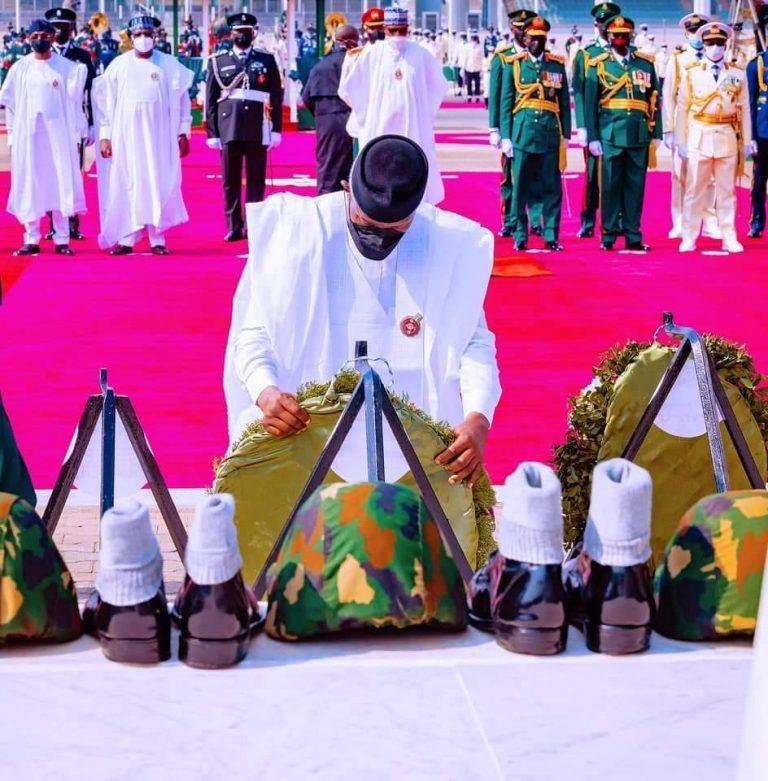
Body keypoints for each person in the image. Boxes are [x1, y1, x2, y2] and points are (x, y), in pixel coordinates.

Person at [225, 135, 501, 487]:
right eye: (364, 223)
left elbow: (472, 342)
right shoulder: (298, 233)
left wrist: (478, 416)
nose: (377, 238)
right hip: (305, 442)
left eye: (394, 231)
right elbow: (255, 332)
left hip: (415, 451)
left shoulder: (448, 244)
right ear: (348, 189)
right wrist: (266, 391)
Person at [95, 15, 192, 255]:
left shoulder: (168, 65)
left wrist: (183, 132)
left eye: (148, 34)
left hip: (160, 137)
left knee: (157, 182)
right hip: (125, 137)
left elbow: (183, 101)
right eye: (138, 35)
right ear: (131, 37)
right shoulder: (118, 66)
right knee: (127, 182)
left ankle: (157, 239)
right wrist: (105, 135)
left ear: (155, 37)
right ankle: (127, 239)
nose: (144, 39)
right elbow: (105, 104)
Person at [338, 5, 448, 205]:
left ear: (408, 29)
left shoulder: (421, 54)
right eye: (394, 30)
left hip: (413, 131)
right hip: (379, 129)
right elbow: (349, 89)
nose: (398, 35)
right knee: (377, 175)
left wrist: (423, 115)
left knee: (414, 176)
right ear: (386, 30)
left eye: (402, 30)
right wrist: (365, 116)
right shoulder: (371, 54)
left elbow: (438, 86)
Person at [0, 18, 87, 257]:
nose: (40, 39)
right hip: (29, 138)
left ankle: (62, 239)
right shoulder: (20, 68)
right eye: (36, 35)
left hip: (58, 138)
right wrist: (12, 136)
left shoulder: (67, 68)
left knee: (60, 182)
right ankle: (31, 239)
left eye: (45, 36)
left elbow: (75, 104)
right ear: (29, 39)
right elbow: (11, 104)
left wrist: (78, 134)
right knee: (30, 183)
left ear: (52, 37)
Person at [585, 15, 661, 251]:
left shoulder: (645, 63)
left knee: (635, 187)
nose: (620, 39)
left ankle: (633, 235)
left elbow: (654, 99)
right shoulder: (598, 64)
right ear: (608, 37)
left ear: (631, 37)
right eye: (615, 35)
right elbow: (590, 104)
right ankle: (608, 235)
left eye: (624, 35)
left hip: (639, 133)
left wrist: (656, 133)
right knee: (609, 186)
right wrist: (592, 137)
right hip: (610, 133)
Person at [205, 12, 284, 242]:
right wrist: (213, 132)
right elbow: (211, 100)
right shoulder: (218, 60)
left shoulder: (266, 59)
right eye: (238, 32)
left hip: (257, 125)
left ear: (253, 34)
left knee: (256, 178)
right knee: (230, 179)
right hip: (228, 126)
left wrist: (276, 129)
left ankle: (254, 224)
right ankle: (234, 225)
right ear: (231, 34)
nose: (242, 35)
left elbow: (276, 96)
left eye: (247, 32)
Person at [676, 23, 750, 254]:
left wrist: (748, 141)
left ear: (726, 46)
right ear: (704, 45)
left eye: (719, 43)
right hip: (699, 136)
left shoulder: (736, 73)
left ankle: (729, 236)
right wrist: (681, 141)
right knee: (694, 191)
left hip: (726, 136)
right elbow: (683, 108)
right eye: (710, 43)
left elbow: (745, 108)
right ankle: (689, 236)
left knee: (727, 192)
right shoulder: (692, 72)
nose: (715, 47)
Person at [500, 16, 570, 252]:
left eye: (540, 39)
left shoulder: (556, 65)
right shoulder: (515, 64)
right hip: (523, 134)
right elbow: (506, 102)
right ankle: (520, 235)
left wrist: (565, 136)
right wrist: (505, 136)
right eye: (532, 38)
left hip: (549, 134)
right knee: (520, 187)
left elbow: (563, 102)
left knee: (551, 187)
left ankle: (551, 235)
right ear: (524, 38)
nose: (536, 43)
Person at [663, 13, 721, 241]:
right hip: (684, 124)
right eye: (691, 31)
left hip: (708, 122)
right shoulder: (678, 59)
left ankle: (710, 221)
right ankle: (680, 220)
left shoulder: (715, 57)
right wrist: (668, 129)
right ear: (686, 33)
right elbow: (669, 95)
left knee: (711, 175)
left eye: (699, 31)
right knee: (680, 175)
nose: (695, 35)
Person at [44, 7, 96, 242]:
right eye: (55, 26)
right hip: (48, 123)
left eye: (63, 26)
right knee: (49, 172)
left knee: (74, 172)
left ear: (71, 29)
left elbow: (91, 92)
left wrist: (92, 123)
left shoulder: (81, 56)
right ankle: (53, 224)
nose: (58, 31)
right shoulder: (41, 54)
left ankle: (72, 223)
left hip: (74, 123)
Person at [572, 1, 621, 239]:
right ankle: (588, 218)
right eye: (602, 23)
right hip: (595, 123)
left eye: (610, 23)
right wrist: (582, 125)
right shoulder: (586, 54)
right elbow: (580, 91)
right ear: (596, 24)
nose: (606, 27)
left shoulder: (623, 51)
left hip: (617, 123)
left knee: (618, 172)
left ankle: (616, 219)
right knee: (593, 173)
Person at [489, 9, 536, 238]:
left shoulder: (541, 57)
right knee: (509, 177)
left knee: (536, 176)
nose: (524, 32)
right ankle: (509, 220)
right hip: (512, 127)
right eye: (520, 28)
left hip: (534, 128)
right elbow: (497, 94)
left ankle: (535, 221)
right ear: (512, 30)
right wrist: (495, 128)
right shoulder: (502, 57)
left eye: (527, 28)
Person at [302, 25, 358, 195]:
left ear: (334, 40)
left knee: (328, 172)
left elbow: (306, 98)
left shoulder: (320, 66)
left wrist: (323, 115)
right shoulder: (360, 63)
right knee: (359, 171)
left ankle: (326, 207)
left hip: (327, 122)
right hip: (358, 120)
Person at [746, 6, 768, 239]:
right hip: (764, 133)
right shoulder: (757, 64)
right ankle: (757, 221)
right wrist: (750, 136)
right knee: (760, 181)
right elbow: (750, 103)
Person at [462, 31, 484, 103]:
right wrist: (463, 68)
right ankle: (469, 96)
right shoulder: (467, 46)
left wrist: (482, 69)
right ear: (471, 39)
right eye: (473, 38)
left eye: (475, 38)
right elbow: (464, 57)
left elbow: (482, 58)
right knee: (469, 83)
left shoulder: (480, 47)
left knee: (477, 83)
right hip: (469, 67)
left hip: (477, 68)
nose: (474, 39)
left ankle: (477, 96)